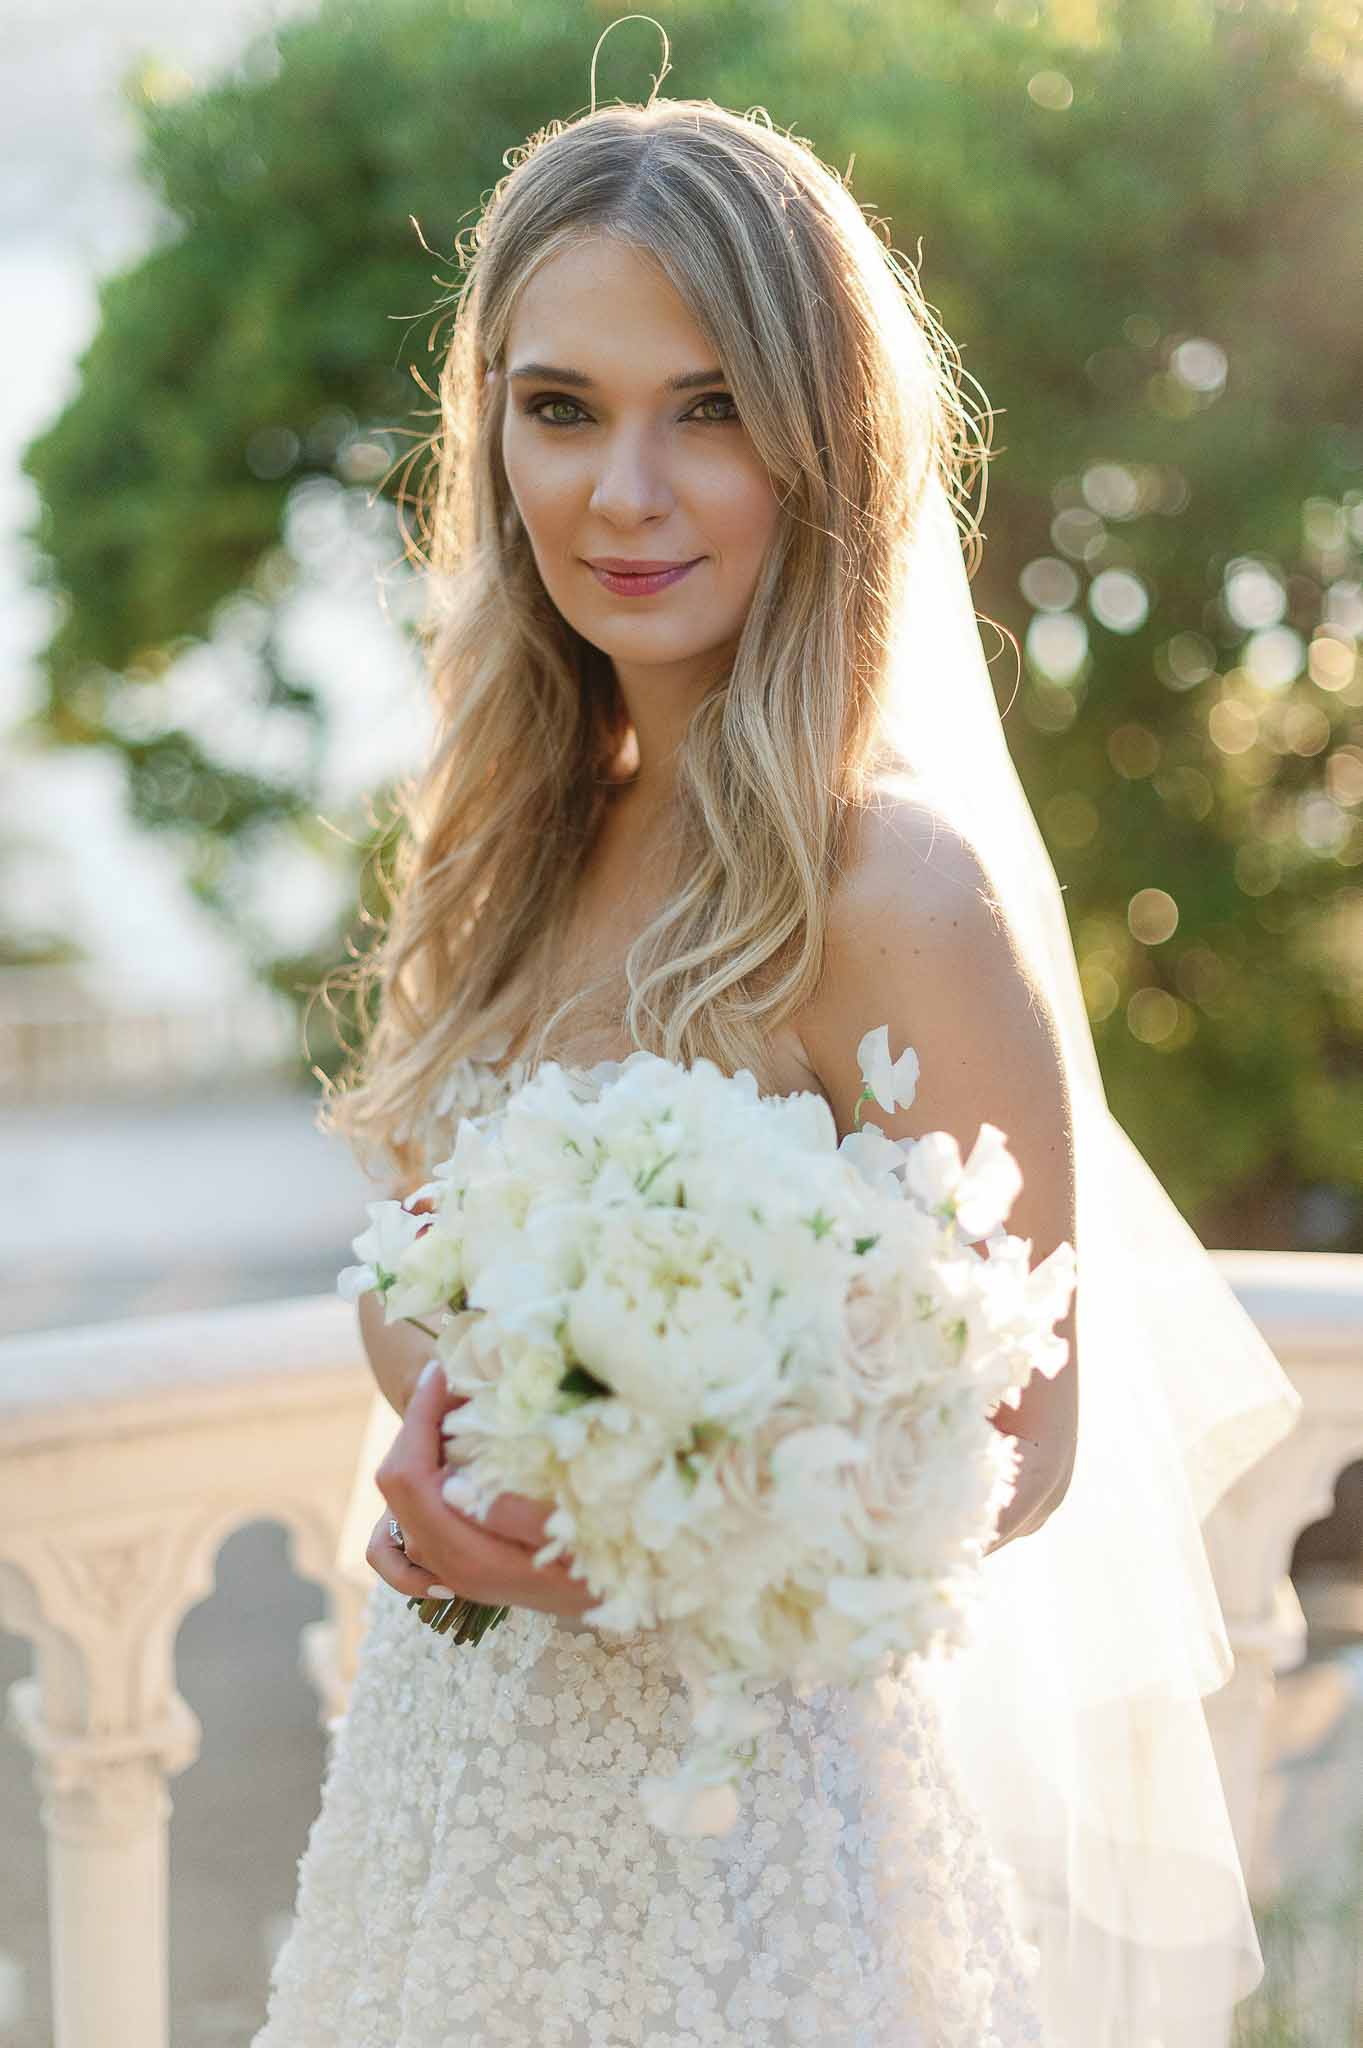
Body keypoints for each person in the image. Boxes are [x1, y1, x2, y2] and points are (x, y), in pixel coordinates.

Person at [253, 61, 1301, 2048]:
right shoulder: (501, 853)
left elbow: (1021, 1442)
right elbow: (426, 1307)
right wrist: (456, 1449)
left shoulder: (886, 885)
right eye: (559, 410)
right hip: (446, 1792)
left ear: (820, 446)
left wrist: (648, 1519)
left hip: (735, 1864)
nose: (620, 494)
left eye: (707, 410)